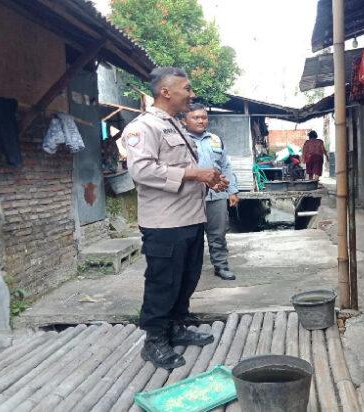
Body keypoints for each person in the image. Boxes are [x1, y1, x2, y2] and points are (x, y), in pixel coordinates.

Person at [123, 67, 229, 369]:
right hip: (164, 223)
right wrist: (194, 173)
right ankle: (154, 340)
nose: (191, 94)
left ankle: (176, 326)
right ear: (165, 91)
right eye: (186, 88)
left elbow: (183, 166)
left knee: (187, 278)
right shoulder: (143, 127)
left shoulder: (176, 125)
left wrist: (207, 179)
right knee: (163, 282)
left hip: (190, 218)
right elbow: (141, 171)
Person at [182, 103, 239, 281]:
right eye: (195, 117)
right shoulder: (180, 140)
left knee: (218, 233)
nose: (201, 120)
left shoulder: (215, 140)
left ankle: (221, 266)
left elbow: (225, 166)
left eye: (204, 117)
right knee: (190, 236)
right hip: (189, 197)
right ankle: (188, 271)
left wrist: (232, 191)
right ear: (184, 120)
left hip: (216, 196)